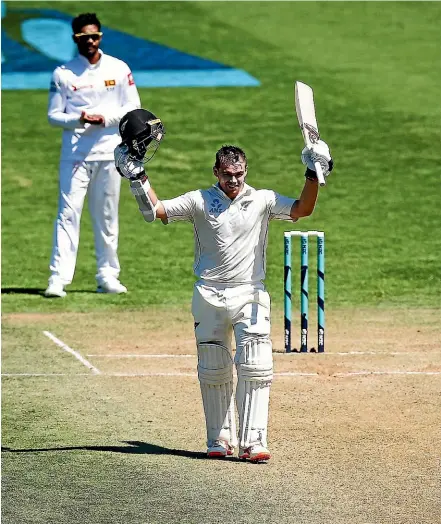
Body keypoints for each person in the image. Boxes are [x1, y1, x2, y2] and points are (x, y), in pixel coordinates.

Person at [114, 108, 333, 462]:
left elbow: (303, 210)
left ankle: (254, 441)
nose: (234, 180)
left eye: (240, 174)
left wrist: (314, 172)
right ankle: (218, 439)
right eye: (228, 175)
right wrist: (137, 177)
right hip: (208, 294)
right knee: (213, 370)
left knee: (257, 366)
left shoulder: (261, 199)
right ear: (216, 172)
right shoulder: (200, 200)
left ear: (246, 171)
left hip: (250, 293)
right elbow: (153, 211)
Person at [44, 12, 141, 298]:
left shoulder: (119, 68)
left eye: (95, 36)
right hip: (75, 155)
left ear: (100, 36)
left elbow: (133, 108)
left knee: (107, 215)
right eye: (84, 37)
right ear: (75, 39)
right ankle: (58, 279)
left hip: (110, 153)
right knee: (67, 214)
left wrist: (105, 119)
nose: (90, 41)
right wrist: (79, 119)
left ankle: (107, 275)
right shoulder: (64, 72)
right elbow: (53, 116)